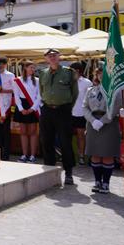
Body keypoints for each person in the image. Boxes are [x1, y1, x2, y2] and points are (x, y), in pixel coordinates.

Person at [39, 48, 78, 185]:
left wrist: (66, 107)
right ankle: (50, 171)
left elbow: (75, 93)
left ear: (59, 57)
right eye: (49, 56)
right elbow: (41, 91)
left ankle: (68, 173)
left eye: (54, 55)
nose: (52, 57)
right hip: (47, 110)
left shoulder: (68, 73)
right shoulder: (43, 73)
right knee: (46, 141)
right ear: (46, 58)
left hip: (63, 111)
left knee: (65, 142)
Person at [83, 67, 121, 194]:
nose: (101, 76)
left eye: (104, 74)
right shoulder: (90, 90)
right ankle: (97, 181)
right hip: (93, 123)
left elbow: (116, 107)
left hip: (108, 123)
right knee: (95, 154)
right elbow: (85, 107)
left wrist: (102, 121)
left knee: (107, 154)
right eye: (99, 74)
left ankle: (106, 183)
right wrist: (93, 121)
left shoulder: (116, 90)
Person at [13, 61, 41, 163]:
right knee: (23, 132)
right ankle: (24, 155)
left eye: (34, 68)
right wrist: (21, 108)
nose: (33, 70)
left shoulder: (37, 80)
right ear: (25, 68)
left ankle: (33, 156)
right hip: (22, 106)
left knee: (33, 132)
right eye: (31, 67)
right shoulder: (17, 80)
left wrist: (32, 108)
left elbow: (39, 96)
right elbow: (16, 95)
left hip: (33, 106)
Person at [70, 62, 93, 165]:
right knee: (66, 136)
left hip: (81, 113)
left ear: (77, 70)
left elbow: (90, 99)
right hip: (68, 113)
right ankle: (68, 156)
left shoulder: (87, 82)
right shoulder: (66, 81)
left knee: (81, 136)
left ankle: (81, 156)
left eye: (71, 70)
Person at [0, 58, 15, 161]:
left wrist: (3, 91)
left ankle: (6, 155)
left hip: (6, 107)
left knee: (6, 132)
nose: (0, 66)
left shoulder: (10, 75)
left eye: (2, 64)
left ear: (6, 65)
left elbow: (14, 89)